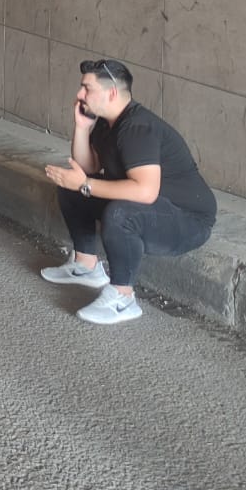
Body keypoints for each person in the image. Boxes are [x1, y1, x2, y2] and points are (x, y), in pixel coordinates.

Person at [41, 58, 217, 325]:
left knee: (118, 211)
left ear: (112, 93)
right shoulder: (106, 122)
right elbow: (88, 167)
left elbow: (145, 192)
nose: (79, 94)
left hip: (187, 220)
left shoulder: (137, 128)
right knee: (72, 189)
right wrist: (82, 128)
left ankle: (123, 298)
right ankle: (86, 267)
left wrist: (84, 184)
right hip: (151, 207)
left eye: (87, 88)